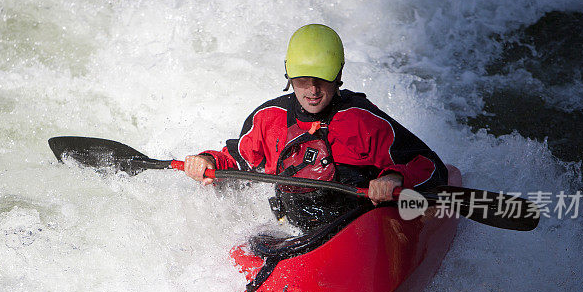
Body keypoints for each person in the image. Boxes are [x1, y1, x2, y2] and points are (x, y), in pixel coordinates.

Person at [184, 24, 447, 231]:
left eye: (322, 79)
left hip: (357, 226)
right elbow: (236, 160)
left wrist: (393, 179)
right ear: (289, 76)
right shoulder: (269, 117)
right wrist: (206, 161)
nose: (312, 90)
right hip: (292, 231)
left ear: (339, 76)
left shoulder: (362, 120)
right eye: (301, 80)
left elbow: (429, 165)